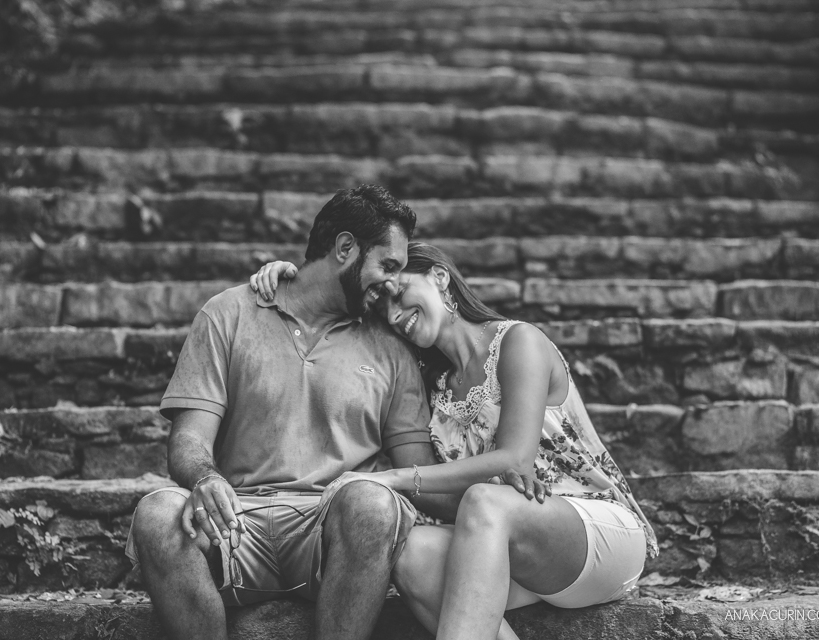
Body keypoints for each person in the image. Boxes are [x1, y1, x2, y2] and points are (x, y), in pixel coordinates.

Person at [126, 185, 542, 640]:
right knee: (157, 514)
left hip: (332, 531)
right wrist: (205, 478)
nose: (392, 284)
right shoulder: (228, 313)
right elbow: (188, 441)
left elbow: (417, 474)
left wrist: (496, 493)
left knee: (371, 502)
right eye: (387, 265)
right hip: (233, 524)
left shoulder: (390, 345)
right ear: (345, 248)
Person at [250, 242, 659, 640]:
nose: (394, 315)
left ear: (440, 277)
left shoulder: (519, 342)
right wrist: (297, 283)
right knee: (410, 552)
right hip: (506, 547)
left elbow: (514, 460)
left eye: (399, 294)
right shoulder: (435, 387)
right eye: (384, 308)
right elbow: (344, 330)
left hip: (595, 534)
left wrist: (394, 478)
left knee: (483, 500)